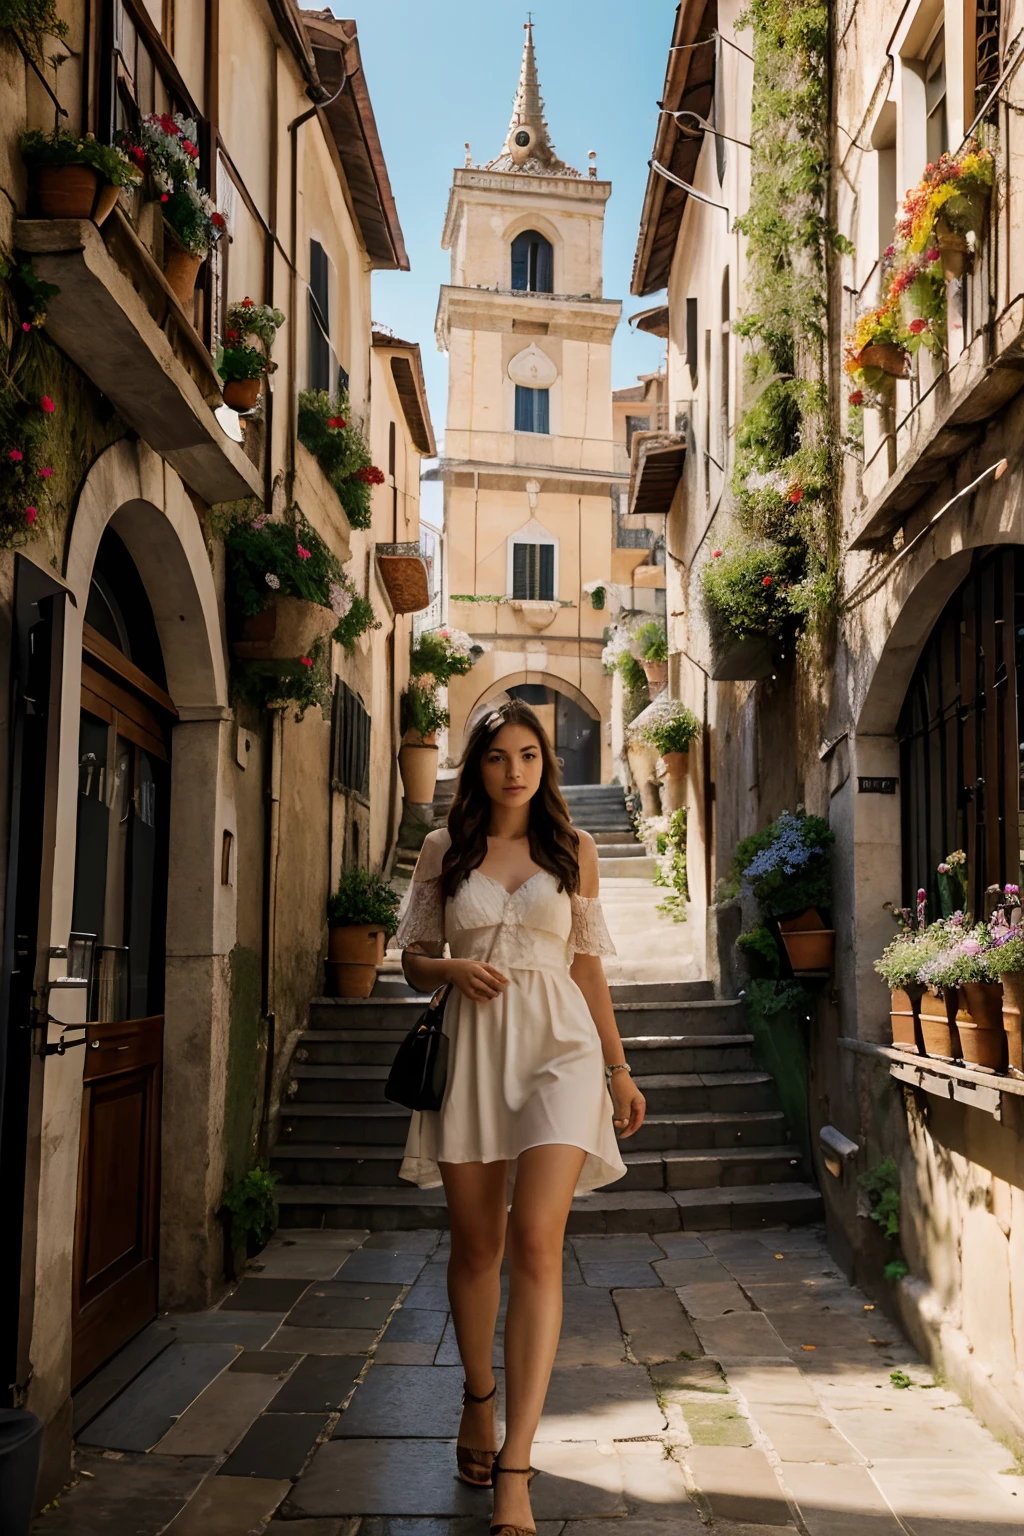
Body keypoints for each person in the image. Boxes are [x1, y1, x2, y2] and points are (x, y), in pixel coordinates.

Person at [394, 699, 646, 1536]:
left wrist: (618, 1069)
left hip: (560, 1052)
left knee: (538, 1240)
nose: (515, 770)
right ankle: (478, 1401)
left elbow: (587, 968)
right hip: (471, 1048)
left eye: (530, 755)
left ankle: (517, 1467)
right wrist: (452, 968)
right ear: (478, 765)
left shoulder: (574, 850)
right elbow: (409, 966)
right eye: (499, 756)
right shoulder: (444, 847)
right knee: (477, 1246)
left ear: (547, 764)